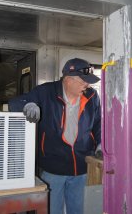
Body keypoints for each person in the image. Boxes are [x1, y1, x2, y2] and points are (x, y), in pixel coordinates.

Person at [8, 57, 102, 214]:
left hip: (82, 167)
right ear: (68, 79)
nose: (87, 85)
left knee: (79, 210)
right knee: (53, 211)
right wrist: (28, 105)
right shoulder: (46, 92)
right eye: (83, 81)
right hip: (53, 169)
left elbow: (99, 124)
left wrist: (100, 144)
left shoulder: (92, 97)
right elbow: (14, 103)